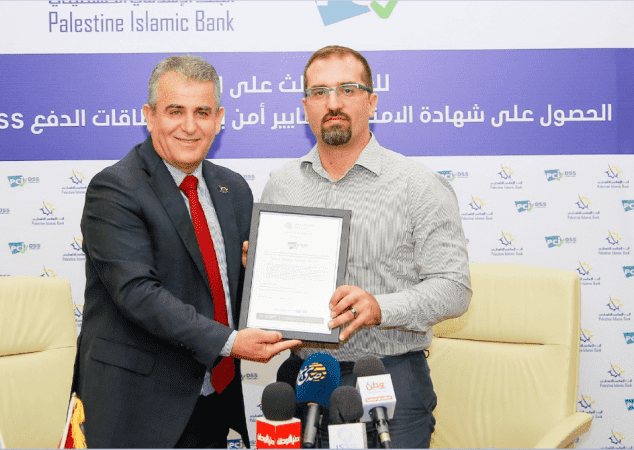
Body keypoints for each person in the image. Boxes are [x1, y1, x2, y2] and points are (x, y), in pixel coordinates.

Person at [73, 55, 300, 448]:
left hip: (213, 398)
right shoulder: (114, 189)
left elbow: (227, 287)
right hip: (138, 406)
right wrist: (231, 343)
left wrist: (261, 274)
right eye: (175, 111)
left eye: (202, 112)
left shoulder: (232, 188)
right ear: (149, 116)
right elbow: (138, 294)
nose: (190, 126)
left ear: (219, 119)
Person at [260, 46, 472, 448]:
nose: (333, 103)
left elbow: (454, 288)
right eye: (319, 92)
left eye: (347, 89)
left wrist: (381, 307)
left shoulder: (418, 184)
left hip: (388, 378)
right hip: (306, 379)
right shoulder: (281, 185)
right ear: (306, 107)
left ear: (371, 102)